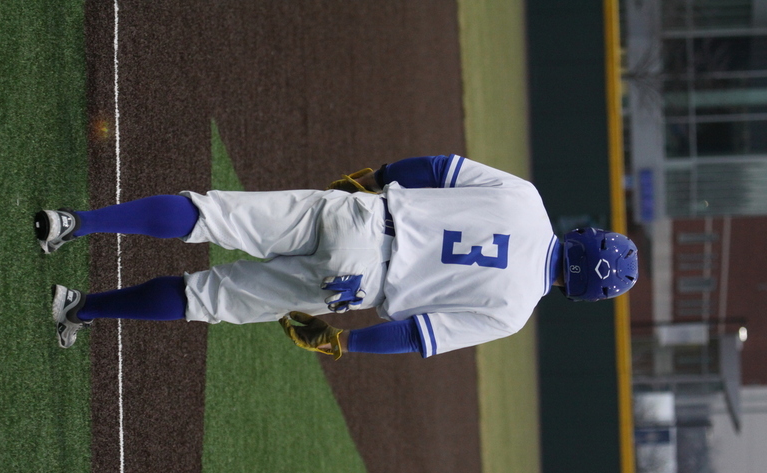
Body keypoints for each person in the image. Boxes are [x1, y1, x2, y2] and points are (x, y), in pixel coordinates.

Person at [35, 154, 639, 358]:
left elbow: (436, 168)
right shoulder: (513, 313)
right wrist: (341, 343)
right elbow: (417, 336)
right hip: (353, 284)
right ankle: (81, 307)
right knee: (208, 300)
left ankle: (73, 223)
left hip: (361, 215)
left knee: (213, 213)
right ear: (581, 293)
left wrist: (373, 176)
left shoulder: (526, 201)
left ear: (586, 236)